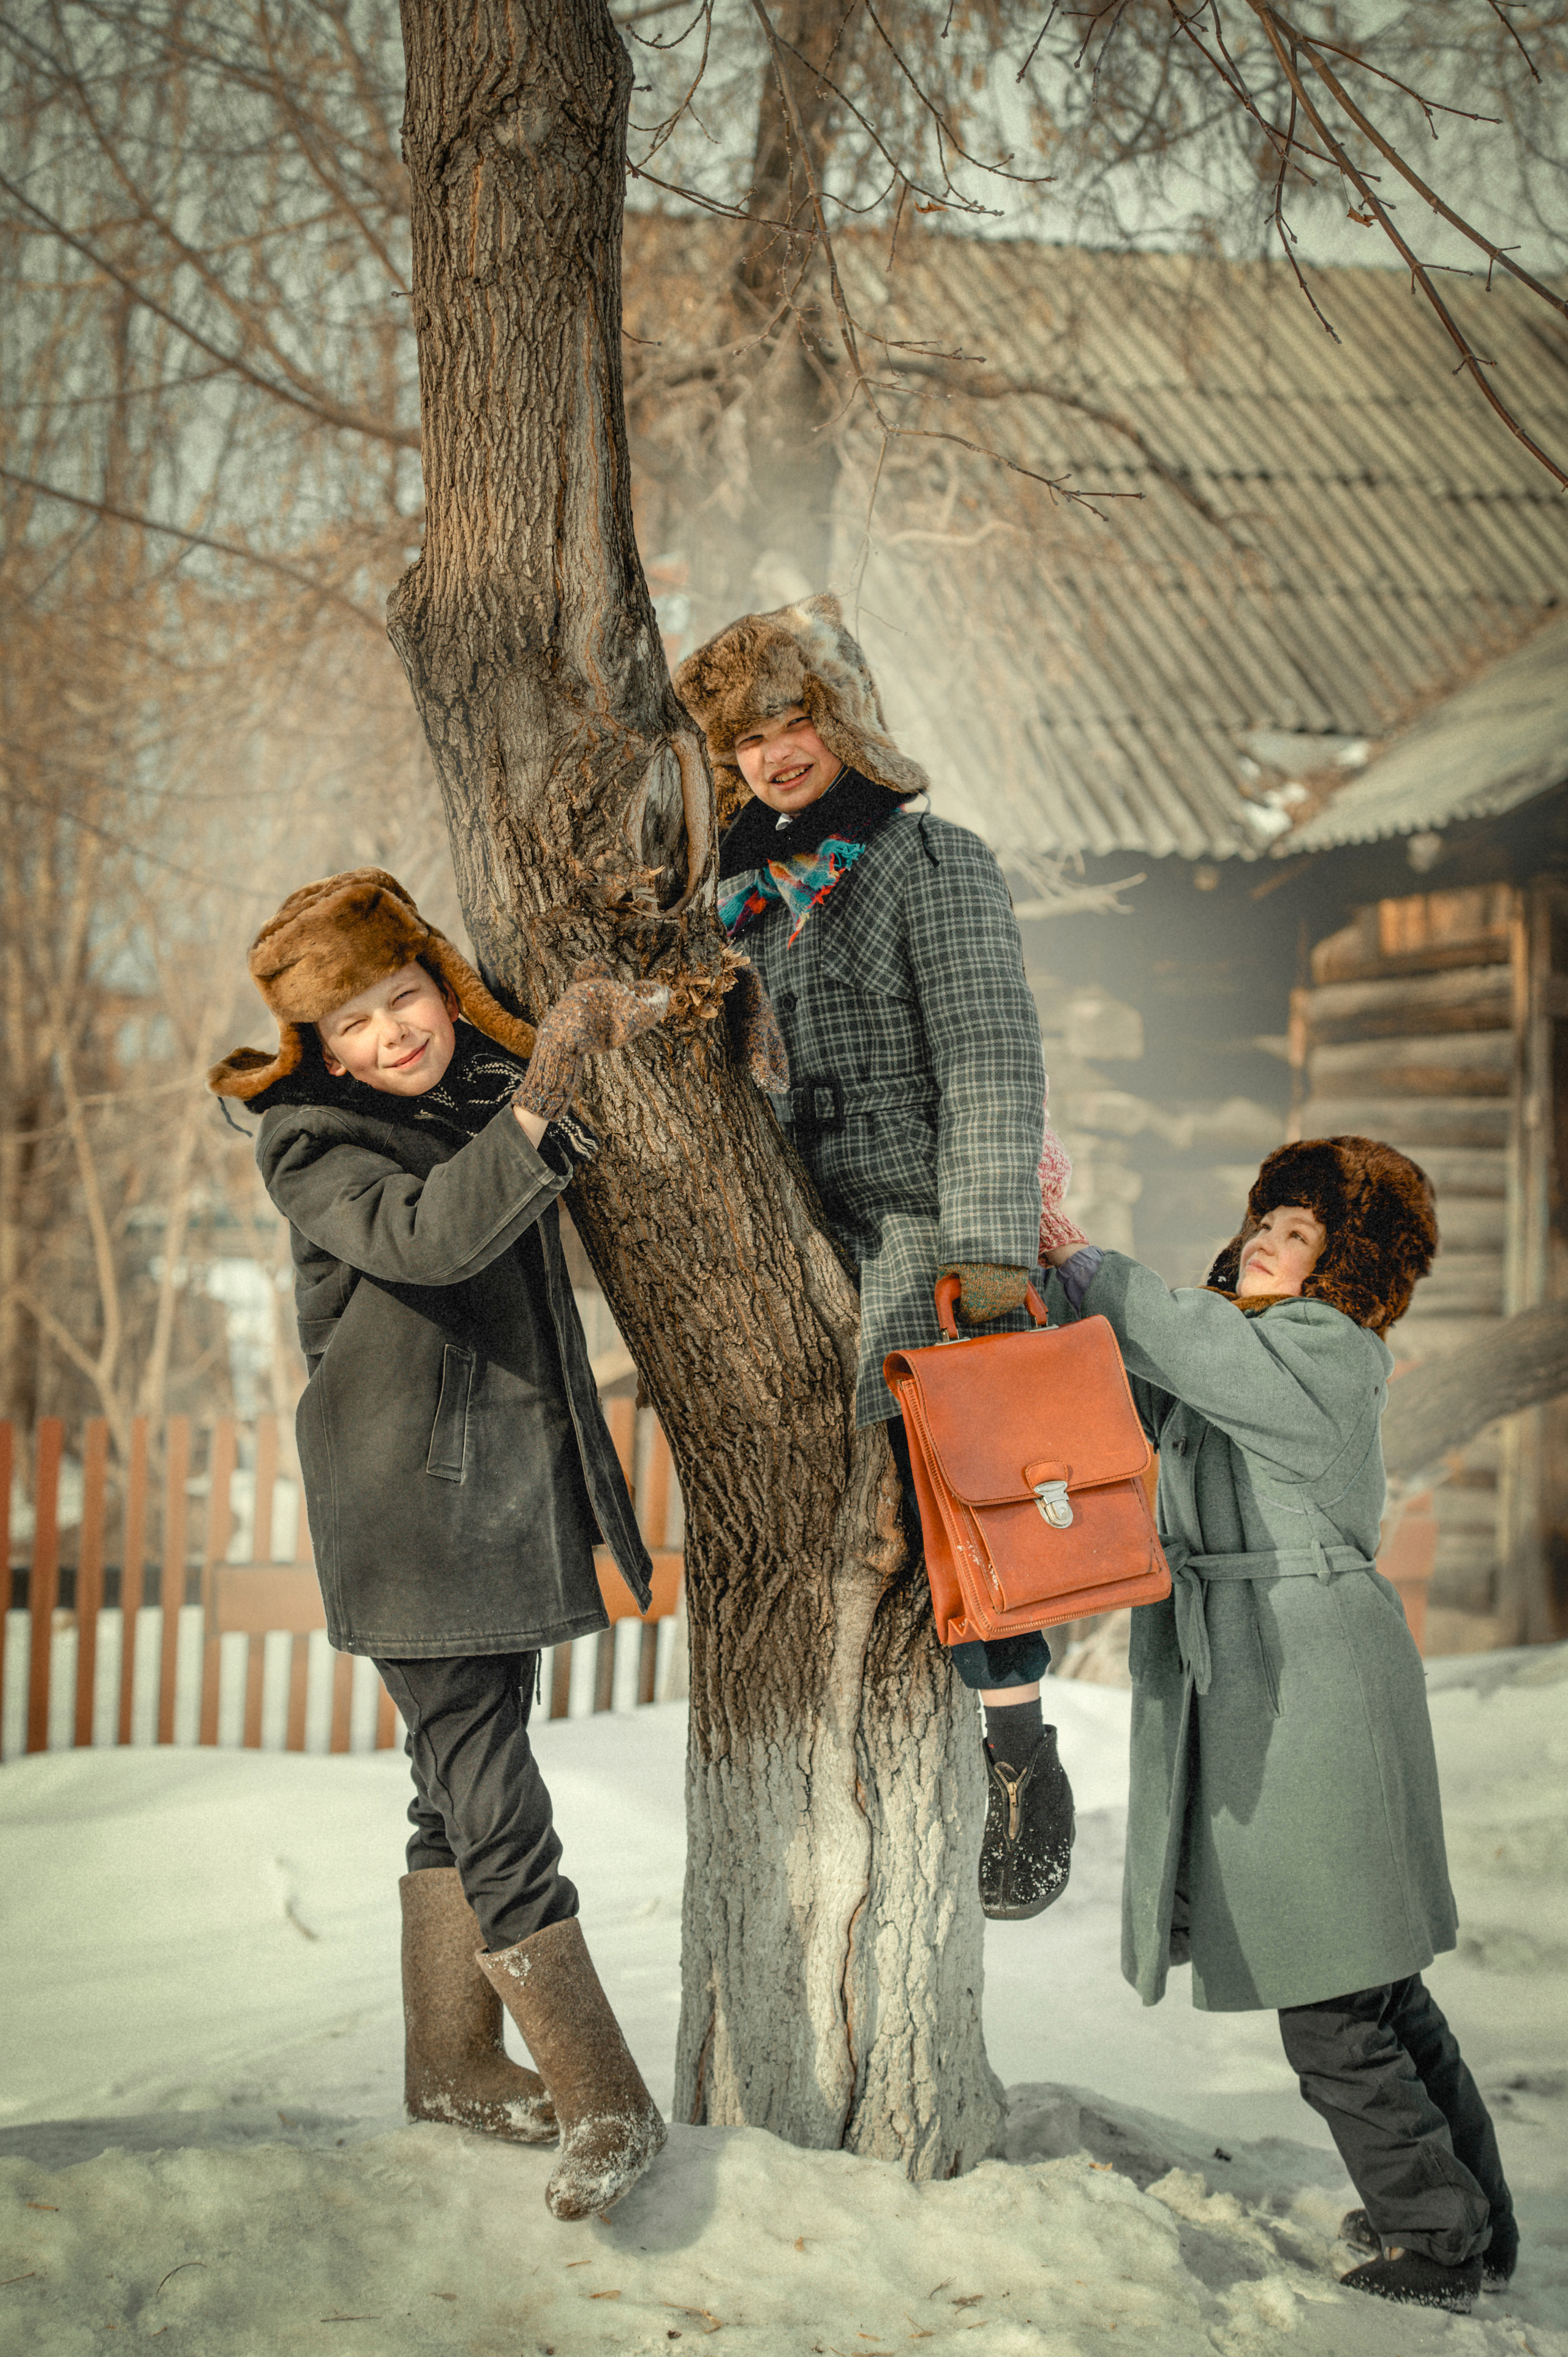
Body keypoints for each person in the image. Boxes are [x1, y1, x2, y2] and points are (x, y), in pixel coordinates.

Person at [209, 868, 671, 2222]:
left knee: (447, 1784)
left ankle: (453, 2060)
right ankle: (602, 2098)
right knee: (489, 1789)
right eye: (350, 1024)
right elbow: (429, 1235)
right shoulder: (311, 1141)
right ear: (315, 1047)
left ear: (439, 988)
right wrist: (540, 1097)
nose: (388, 1035)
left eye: (402, 998)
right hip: (413, 1513)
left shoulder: (466, 1104)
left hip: (489, 1498)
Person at [1041, 1136, 1517, 2315]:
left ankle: (1436, 2242)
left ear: (1345, 1269)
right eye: (1267, 1219)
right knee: (1377, 1983)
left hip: (1311, 1678)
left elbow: (1181, 1342)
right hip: (1283, 1666)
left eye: (1301, 1233)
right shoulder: (1251, 1350)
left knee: (1331, 1997)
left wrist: (1083, 1256)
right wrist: (1050, 1259)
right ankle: (1475, 2218)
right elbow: (1142, 1378)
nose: (1267, 1237)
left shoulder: (1325, 1352)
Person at [674, 592, 1084, 1919]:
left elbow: (987, 1053)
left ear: (843, 721)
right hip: (790, 1223)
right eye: (747, 736)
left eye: (796, 720)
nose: (776, 753)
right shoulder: (733, 899)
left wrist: (984, 1249)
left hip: (916, 1220)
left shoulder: (929, 860)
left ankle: (1018, 1746)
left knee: (934, 1479)